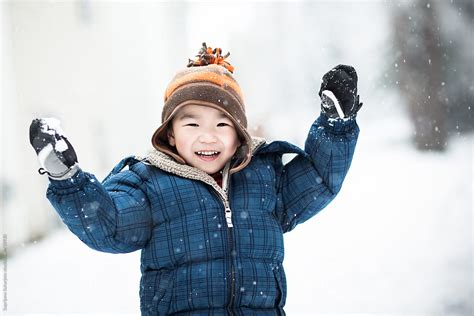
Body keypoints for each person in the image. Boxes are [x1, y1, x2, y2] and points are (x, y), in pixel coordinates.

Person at [29, 42, 362, 315]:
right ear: (170, 135)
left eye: (221, 125)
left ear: (239, 135)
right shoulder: (149, 184)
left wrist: (335, 126)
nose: (208, 137)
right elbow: (110, 225)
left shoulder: (263, 177)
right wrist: (67, 178)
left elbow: (318, 178)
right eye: (192, 125)